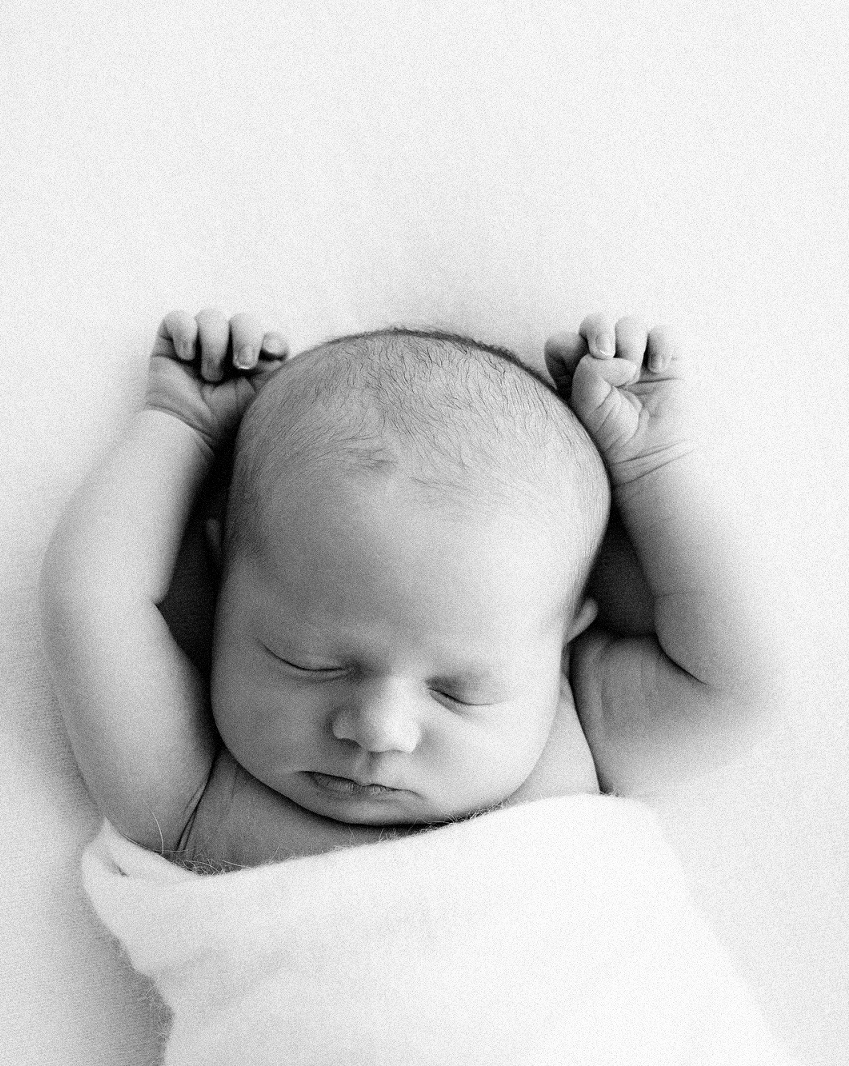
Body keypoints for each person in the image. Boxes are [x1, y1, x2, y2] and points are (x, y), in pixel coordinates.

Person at [40, 308, 779, 872]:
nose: (377, 731)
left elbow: (735, 682)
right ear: (221, 592)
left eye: (459, 689)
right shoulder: (193, 799)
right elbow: (95, 603)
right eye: (310, 662)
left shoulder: (572, 732)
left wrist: (653, 466)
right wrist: (178, 426)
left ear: (561, 642)